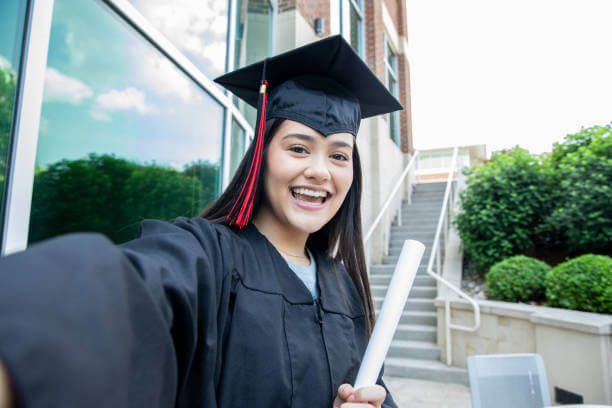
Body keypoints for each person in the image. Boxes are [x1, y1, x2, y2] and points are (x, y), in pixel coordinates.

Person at [0, 35, 402, 407]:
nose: (320, 171)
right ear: (260, 156)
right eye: (299, 148)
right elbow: (121, 292)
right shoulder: (208, 255)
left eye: (338, 155)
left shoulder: (344, 288)